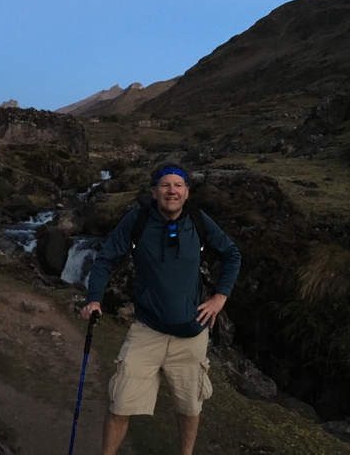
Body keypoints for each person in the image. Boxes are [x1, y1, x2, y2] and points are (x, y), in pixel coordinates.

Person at [80, 163, 241, 455]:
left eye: (178, 185)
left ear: (187, 192)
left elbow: (232, 254)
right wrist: (94, 298)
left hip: (192, 333)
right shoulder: (136, 221)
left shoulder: (199, 221)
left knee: (190, 406)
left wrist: (220, 298)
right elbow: (105, 260)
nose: (172, 191)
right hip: (147, 330)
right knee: (120, 403)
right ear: (154, 192)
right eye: (165, 185)